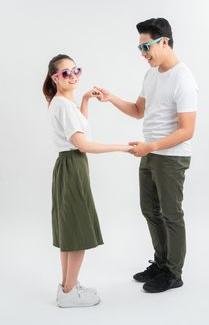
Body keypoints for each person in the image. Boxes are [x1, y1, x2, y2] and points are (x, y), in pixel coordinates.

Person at [94, 18, 198, 293]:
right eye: (139, 48)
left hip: (170, 156)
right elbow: (139, 110)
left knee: (171, 214)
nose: (143, 54)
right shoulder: (151, 74)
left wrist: (150, 147)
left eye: (146, 47)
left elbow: (187, 131)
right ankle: (161, 263)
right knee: (150, 210)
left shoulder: (183, 78)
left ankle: (174, 273)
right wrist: (111, 98)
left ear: (164, 41)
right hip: (149, 152)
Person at [42, 54, 131, 307]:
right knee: (78, 232)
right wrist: (122, 147)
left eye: (76, 70)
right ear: (55, 78)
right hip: (73, 166)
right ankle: (70, 293)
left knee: (70, 231)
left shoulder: (62, 103)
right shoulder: (62, 105)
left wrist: (84, 100)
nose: (74, 75)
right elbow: (83, 144)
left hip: (67, 165)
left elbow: (81, 128)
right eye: (66, 73)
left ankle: (67, 287)